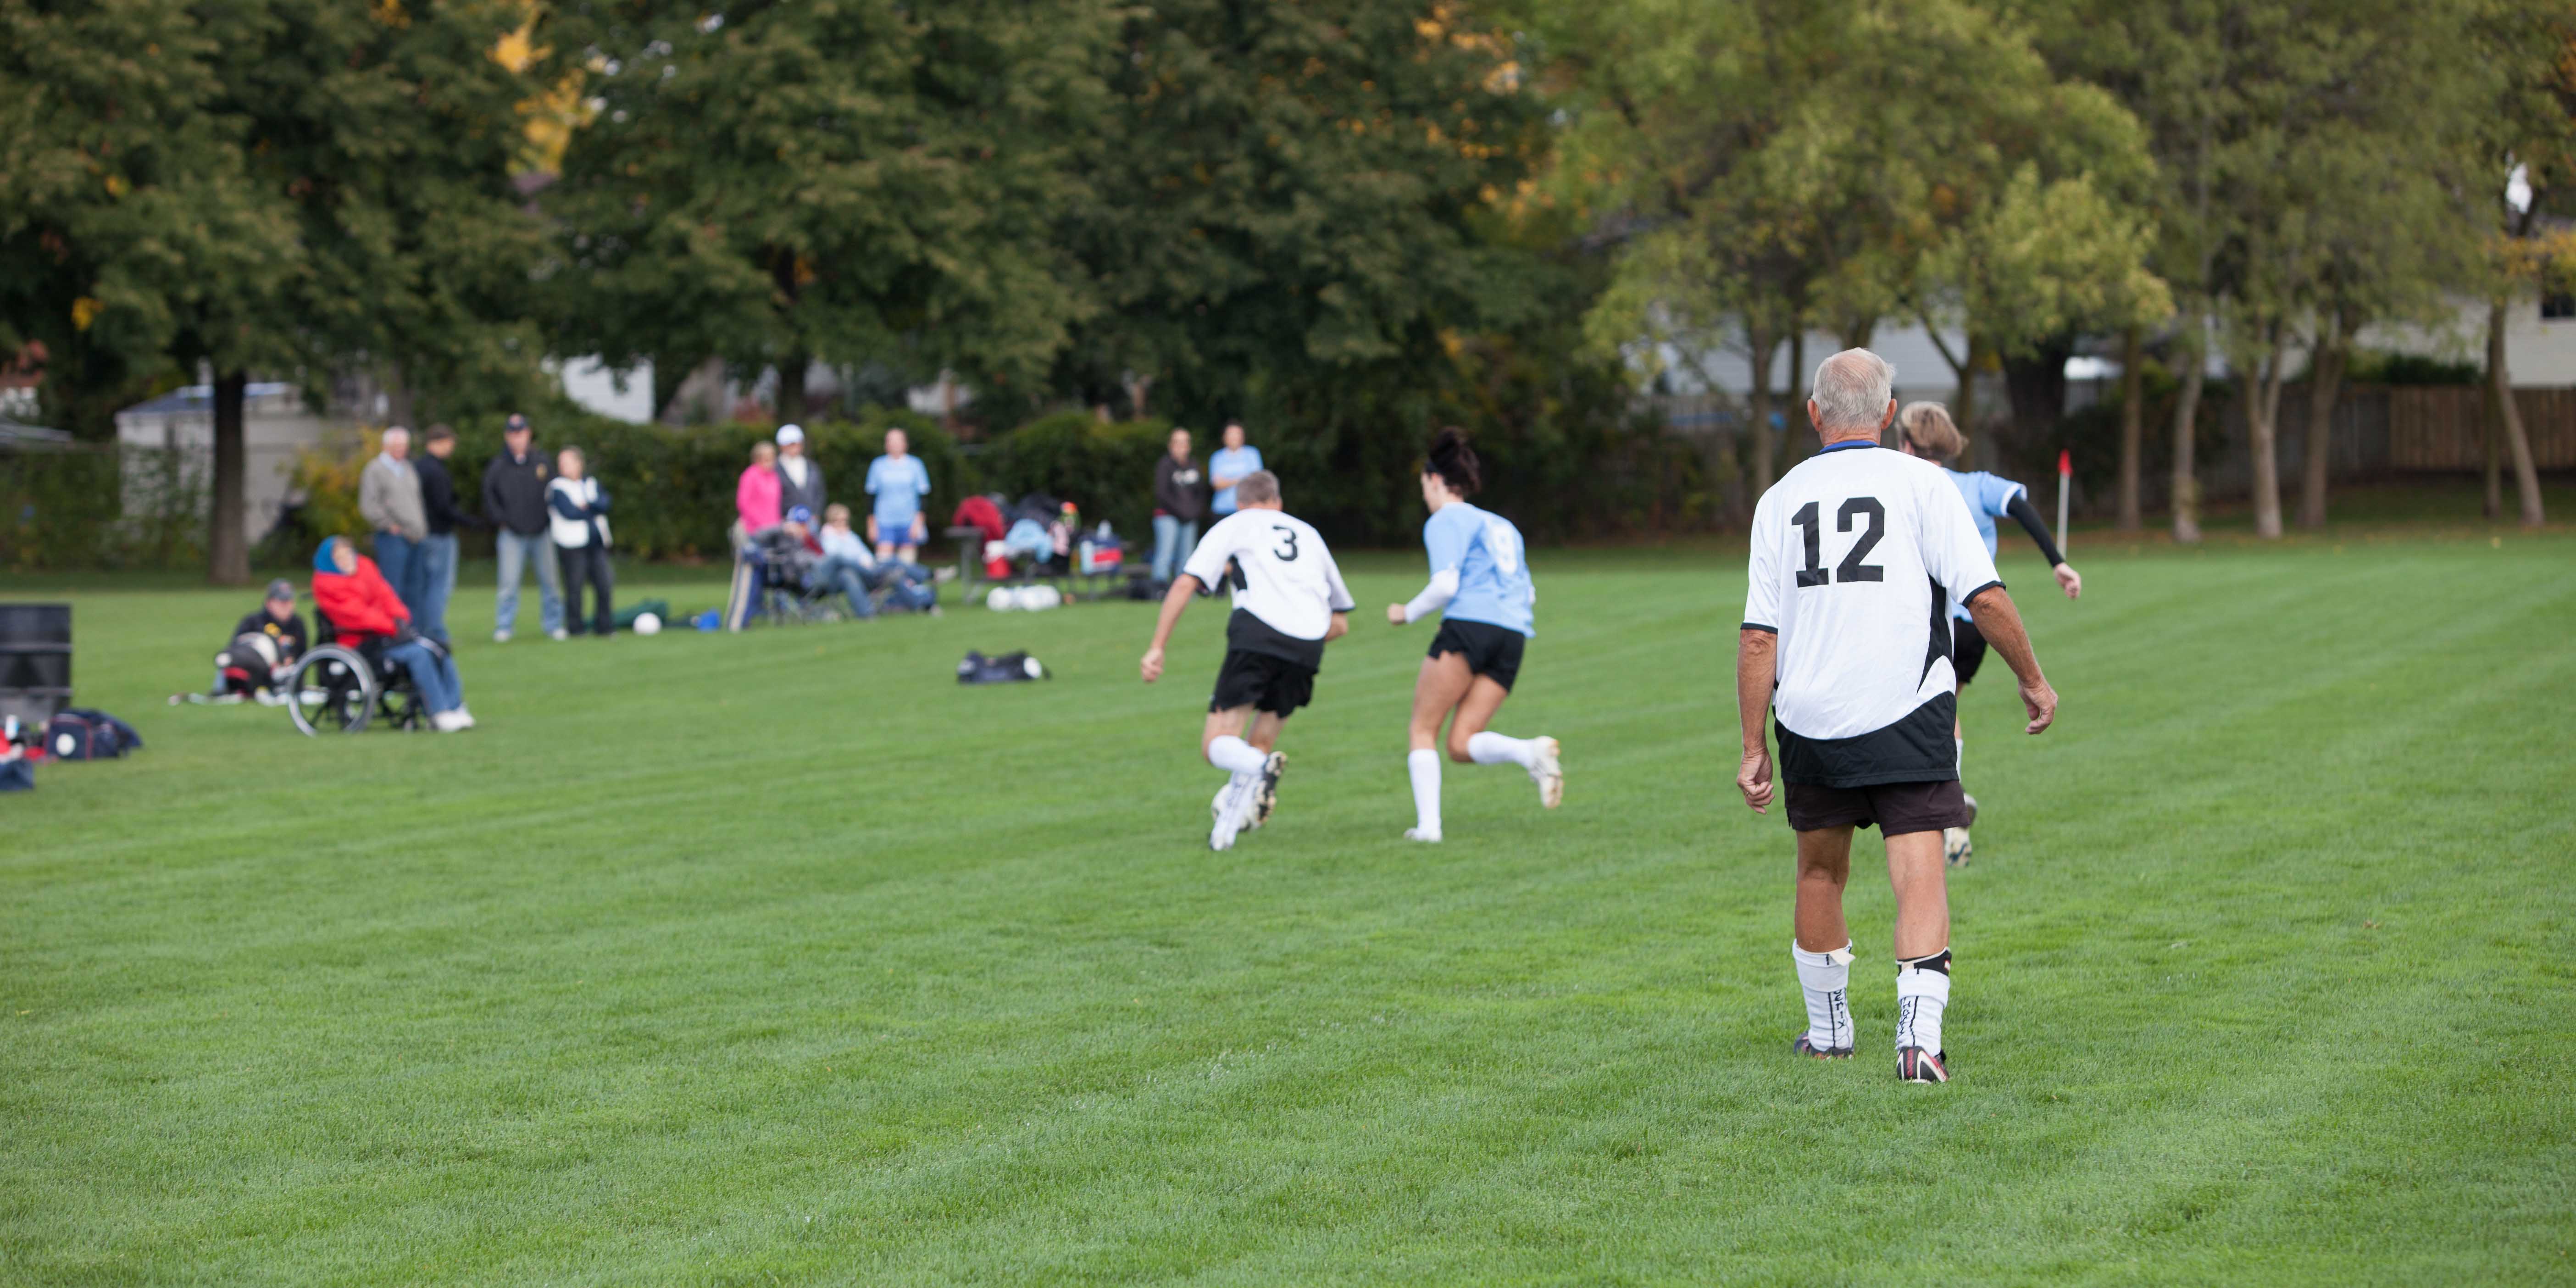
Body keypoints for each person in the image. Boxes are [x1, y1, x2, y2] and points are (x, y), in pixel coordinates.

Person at [1735, 349, 2059, 1085]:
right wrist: (2033, 680)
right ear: (1888, 414)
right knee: (1918, 872)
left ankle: (1829, 1035)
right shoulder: (1925, 484)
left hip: (1810, 717)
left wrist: (1753, 746)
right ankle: (1918, 1045)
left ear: (1814, 414)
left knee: (1820, 872)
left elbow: (1759, 636)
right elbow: (1984, 597)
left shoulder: (1778, 499)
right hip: (1908, 710)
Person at [1893, 402, 2084, 866]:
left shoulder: (1903, 485)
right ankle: (1945, 801)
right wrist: (2057, 562)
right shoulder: (1978, 485)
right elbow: (2020, 507)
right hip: (1979, 625)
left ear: (1907, 446)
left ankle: (1947, 806)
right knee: (1946, 704)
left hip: (1930, 624)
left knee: (1929, 710)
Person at [1138, 470, 1353, 852]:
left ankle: (1261, 768)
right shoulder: (1308, 533)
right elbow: (1340, 622)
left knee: (1217, 744)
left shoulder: (1236, 524)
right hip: (1308, 645)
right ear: (1278, 502)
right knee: (1260, 742)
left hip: (1257, 634)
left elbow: (1187, 582)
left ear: (1240, 504)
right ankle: (1224, 836)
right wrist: (1297, 635)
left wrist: (1157, 646)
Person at [1386, 428, 1561, 842]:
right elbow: (1528, 592)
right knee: (1460, 743)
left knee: (1422, 728)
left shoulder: (1445, 519)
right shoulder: (1503, 526)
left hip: (1469, 628)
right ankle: (1529, 752)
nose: (1425, 496)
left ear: (1435, 480)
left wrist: (1406, 613)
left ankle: (1429, 829)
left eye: (1424, 486)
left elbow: (1446, 585)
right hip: (1513, 636)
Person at [310, 536, 472, 732]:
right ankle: (439, 712)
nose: (346, 560)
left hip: (385, 636)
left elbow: (386, 595)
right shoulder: (328, 584)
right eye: (340, 557)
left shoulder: (365, 568)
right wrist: (392, 627)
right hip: (361, 644)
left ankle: (455, 706)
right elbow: (356, 615)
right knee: (419, 654)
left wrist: (400, 618)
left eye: (348, 554)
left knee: (437, 647)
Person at [483, 413, 565, 643]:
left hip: (542, 532)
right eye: (513, 434)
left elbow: (555, 491)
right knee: (508, 583)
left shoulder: (542, 462)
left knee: (551, 582)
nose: (517, 438)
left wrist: (550, 519)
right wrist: (501, 520)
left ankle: (554, 624)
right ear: (507, 436)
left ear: (528, 434)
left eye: (521, 433)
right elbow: (489, 496)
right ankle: (505, 626)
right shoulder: (498, 466)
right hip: (511, 534)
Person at [816, 503, 938, 617]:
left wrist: (868, 562)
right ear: (830, 522)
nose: (842, 523)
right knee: (891, 563)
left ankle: (922, 601)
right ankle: (930, 576)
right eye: (838, 521)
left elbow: (865, 554)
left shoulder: (850, 536)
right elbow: (838, 560)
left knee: (894, 571)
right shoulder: (828, 537)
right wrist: (863, 563)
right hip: (856, 574)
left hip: (868, 569)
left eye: (845, 520)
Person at [411, 424, 472, 644]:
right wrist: (471, 523)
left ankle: (423, 630)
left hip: (423, 534)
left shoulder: (418, 467)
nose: (451, 447)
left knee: (426, 585)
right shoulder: (435, 470)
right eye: (449, 443)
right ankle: (436, 633)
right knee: (439, 585)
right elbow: (444, 507)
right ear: (438, 442)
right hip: (439, 535)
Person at [357, 426, 427, 614]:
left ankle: (414, 629)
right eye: (396, 445)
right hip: (393, 537)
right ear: (385, 446)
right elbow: (369, 505)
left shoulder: (408, 467)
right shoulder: (375, 469)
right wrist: (389, 525)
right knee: (393, 588)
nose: (400, 449)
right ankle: (394, 628)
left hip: (416, 536)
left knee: (415, 589)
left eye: (403, 445)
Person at [547, 446, 615, 638]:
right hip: (572, 545)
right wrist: (592, 509)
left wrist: (589, 506)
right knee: (575, 587)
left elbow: (605, 504)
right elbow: (570, 512)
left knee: (605, 584)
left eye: (568, 462)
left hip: (597, 542)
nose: (563, 466)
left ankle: (605, 627)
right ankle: (576, 628)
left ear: (579, 464)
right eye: (561, 463)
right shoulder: (557, 487)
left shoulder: (591, 483)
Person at [213, 578, 309, 702]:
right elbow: (234, 651)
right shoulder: (253, 622)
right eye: (282, 602)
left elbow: (303, 656)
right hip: (253, 675)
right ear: (269, 603)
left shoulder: (297, 624)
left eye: (290, 601)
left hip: (284, 677)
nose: (287, 606)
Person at [1151, 427, 1208, 589]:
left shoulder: (1194, 465)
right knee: (1165, 554)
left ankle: (1182, 590)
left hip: (1189, 518)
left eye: (1184, 443)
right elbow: (1162, 494)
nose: (1181, 447)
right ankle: (1159, 590)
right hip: (1168, 517)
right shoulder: (1165, 465)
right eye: (1177, 443)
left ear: (1189, 446)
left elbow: (1200, 492)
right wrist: (1182, 512)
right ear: (1171, 445)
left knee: (1187, 557)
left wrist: (1195, 512)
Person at [864, 428, 933, 562]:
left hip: (909, 521)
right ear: (886, 444)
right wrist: (872, 525)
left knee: (907, 565)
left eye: (898, 440)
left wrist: (918, 523)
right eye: (891, 441)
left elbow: (923, 496)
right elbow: (870, 497)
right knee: (884, 564)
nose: (894, 444)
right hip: (884, 521)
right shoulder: (878, 465)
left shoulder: (915, 465)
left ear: (905, 444)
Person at [1207, 419, 1263, 518]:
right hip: (1222, 510)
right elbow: (1217, 485)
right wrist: (1243, 478)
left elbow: (1256, 482)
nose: (1234, 437)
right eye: (1230, 434)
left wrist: (1227, 481)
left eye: (1237, 434)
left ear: (1243, 437)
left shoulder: (1252, 454)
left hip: (1248, 509)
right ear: (1224, 437)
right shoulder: (1217, 457)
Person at [735, 440, 781, 549]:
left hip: (774, 528)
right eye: (767, 459)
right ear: (757, 459)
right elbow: (743, 503)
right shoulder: (750, 476)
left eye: (772, 458)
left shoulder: (774, 476)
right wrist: (760, 523)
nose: (770, 462)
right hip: (755, 530)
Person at [775, 424, 825, 522]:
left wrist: (817, 514)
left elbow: (820, 492)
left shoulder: (812, 467)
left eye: (797, 443)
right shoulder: (775, 468)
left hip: (810, 521)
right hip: (785, 523)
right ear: (782, 446)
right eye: (791, 444)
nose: (795, 447)